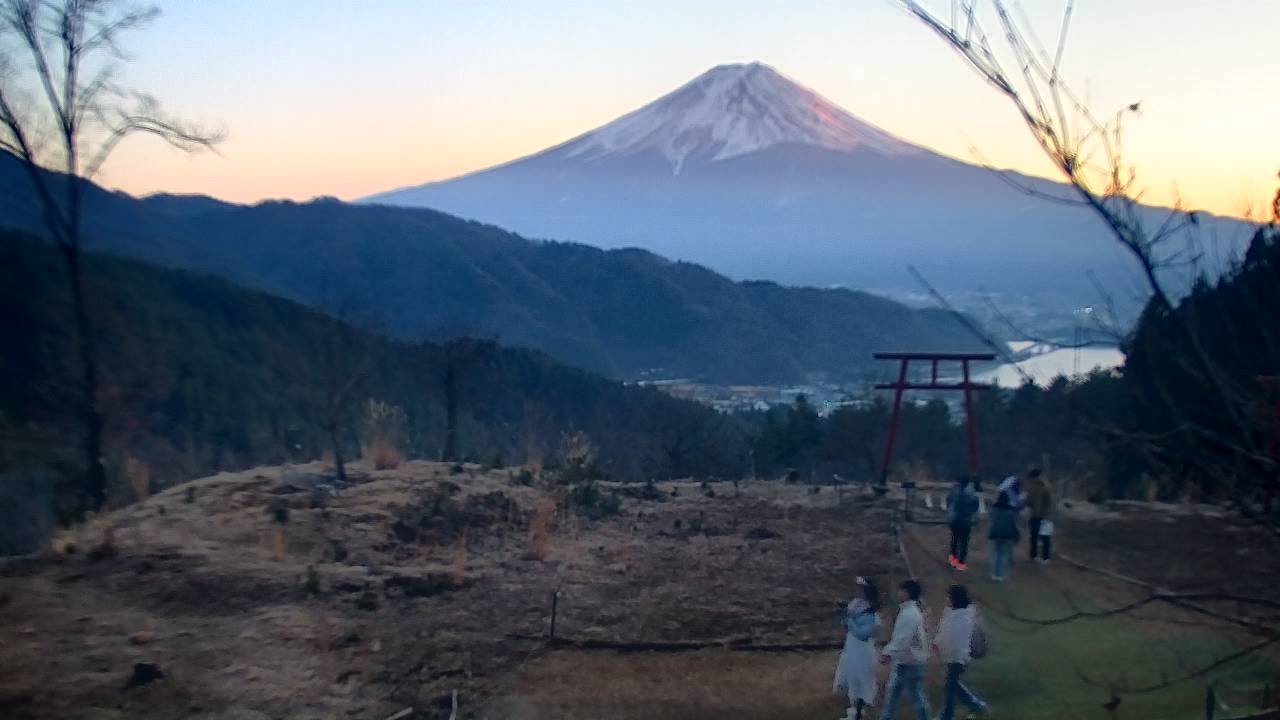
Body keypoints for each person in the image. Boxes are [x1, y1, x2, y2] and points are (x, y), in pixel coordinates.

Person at [934, 584, 988, 720]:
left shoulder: (963, 618)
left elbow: (955, 639)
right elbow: (943, 632)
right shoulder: (950, 613)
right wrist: (936, 643)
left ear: (955, 598)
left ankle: (947, 715)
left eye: (948, 596)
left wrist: (942, 648)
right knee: (953, 685)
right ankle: (977, 706)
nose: (946, 599)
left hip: (957, 658)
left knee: (950, 687)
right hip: (949, 656)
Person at [878, 580, 930, 720]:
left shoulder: (909, 614)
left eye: (900, 590)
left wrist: (887, 653)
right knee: (893, 695)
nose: (898, 593)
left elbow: (902, 639)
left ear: (907, 593)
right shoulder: (908, 611)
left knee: (915, 696)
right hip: (906, 661)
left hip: (910, 662)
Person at [833, 577, 882, 720]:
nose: (857, 591)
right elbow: (846, 624)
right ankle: (854, 712)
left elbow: (862, 634)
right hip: (851, 647)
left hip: (863, 651)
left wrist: (849, 620)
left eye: (861, 588)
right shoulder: (854, 604)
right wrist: (844, 615)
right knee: (851, 679)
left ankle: (859, 712)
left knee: (861, 680)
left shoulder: (872, 612)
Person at [988, 481, 1021, 583]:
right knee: (1004, 555)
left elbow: (991, 521)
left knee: (995, 554)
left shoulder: (994, 510)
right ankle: (1001, 575)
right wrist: (1016, 535)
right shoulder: (1012, 511)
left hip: (996, 533)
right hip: (1007, 535)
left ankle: (994, 574)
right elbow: (1014, 524)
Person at [946, 475, 981, 571]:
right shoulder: (972, 494)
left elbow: (949, 503)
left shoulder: (955, 491)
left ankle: (953, 561)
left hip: (956, 519)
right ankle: (961, 563)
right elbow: (976, 506)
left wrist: (950, 516)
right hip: (966, 520)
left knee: (954, 541)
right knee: (964, 543)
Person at [1025, 468, 1054, 563]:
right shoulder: (1032, 487)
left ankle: (1046, 557)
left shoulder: (1046, 487)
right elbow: (1029, 500)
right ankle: (1033, 556)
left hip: (1044, 516)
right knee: (1033, 536)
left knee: (1045, 537)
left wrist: (1047, 515)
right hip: (1033, 515)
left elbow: (1049, 503)